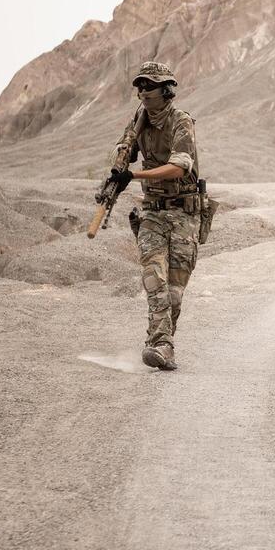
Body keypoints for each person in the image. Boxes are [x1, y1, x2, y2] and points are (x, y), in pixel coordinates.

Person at [106, 61, 201, 371]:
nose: (143, 91)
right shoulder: (138, 121)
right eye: (140, 86)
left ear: (166, 89)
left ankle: (164, 344)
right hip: (153, 213)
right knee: (153, 278)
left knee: (173, 294)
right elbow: (123, 150)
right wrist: (120, 161)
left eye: (150, 86)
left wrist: (134, 175)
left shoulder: (180, 121)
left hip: (184, 214)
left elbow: (179, 166)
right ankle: (159, 343)